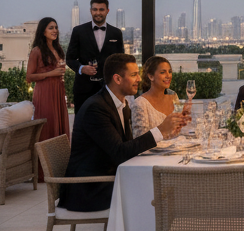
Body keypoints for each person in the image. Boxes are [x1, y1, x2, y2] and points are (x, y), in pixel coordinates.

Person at [62, 53, 189, 213]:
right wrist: (161, 130)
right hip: (92, 188)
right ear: (117, 79)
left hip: (113, 177)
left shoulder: (122, 105)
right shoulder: (96, 109)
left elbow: (129, 147)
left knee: (165, 185)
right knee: (157, 190)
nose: (138, 79)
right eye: (134, 75)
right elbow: (120, 152)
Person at [65, 0, 125, 118]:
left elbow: (121, 61)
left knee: (108, 122)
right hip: (83, 88)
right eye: (95, 9)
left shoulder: (116, 33)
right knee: (82, 122)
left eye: (101, 9)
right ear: (91, 10)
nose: (98, 13)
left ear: (107, 11)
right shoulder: (78, 31)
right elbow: (69, 59)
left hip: (108, 88)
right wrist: (82, 68)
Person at [25, 18, 70, 179]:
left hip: (58, 91)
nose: (55, 30)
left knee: (60, 127)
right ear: (43, 31)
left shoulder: (57, 48)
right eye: (51, 28)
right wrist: (50, 74)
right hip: (44, 93)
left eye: (56, 27)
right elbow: (29, 76)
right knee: (48, 127)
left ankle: (59, 169)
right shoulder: (37, 51)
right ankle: (43, 172)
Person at [131, 56, 192, 138]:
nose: (168, 76)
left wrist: (182, 120)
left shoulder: (173, 96)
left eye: (170, 72)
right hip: (153, 151)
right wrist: (162, 129)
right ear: (151, 76)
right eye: (163, 72)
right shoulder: (140, 104)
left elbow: (175, 134)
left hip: (174, 148)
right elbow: (139, 141)